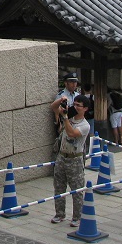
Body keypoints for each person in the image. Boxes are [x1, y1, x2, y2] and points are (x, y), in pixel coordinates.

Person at [50, 94, 91, 226]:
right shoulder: (68, 116)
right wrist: (61, 101)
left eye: (79, 105)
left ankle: (77, 217)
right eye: (75, 104)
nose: (76, 107)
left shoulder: (85, 125)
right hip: (62, 156)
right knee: (59, 187)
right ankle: (59, 214)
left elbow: (72, 133)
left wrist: (66, 118)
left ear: (85, 109)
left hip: (75, 159)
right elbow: (53, 107)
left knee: (77, 189)